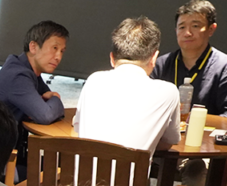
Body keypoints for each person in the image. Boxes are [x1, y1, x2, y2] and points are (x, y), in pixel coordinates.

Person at [74, 17, 180, 158]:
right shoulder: (168, 92)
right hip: (134, 172)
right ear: (154, 58)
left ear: (112, 58)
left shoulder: (94, 80)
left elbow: (78, 128)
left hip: (83, 172)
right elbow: (170, 141)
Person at [0, 20, 68, 180]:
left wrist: (49, 100)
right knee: (60, 171)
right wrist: (55, 97)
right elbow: (46, 115)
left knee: (58, 165)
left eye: (62, 51)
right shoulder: (18, 76)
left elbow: (49, 107)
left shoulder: (26, 70)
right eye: (54, 48)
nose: (58, 57)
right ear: (33, 47)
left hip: (0, 152)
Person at [152, 0, 227, 119]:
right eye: (182, 27)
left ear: (211, 29)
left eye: (195, 26)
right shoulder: (160, 64)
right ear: (176, 31)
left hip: (207, 131)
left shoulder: (225, 66)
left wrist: (192, 121)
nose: (187, 33)